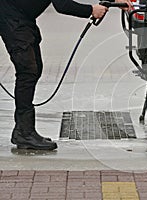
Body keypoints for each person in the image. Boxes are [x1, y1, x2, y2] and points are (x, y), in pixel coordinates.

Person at [0, 0, 132, 150]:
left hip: (21, 18)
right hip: (11, 18)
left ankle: (23, 130)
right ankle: (24, 133)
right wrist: (91, 10)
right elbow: (62, 5)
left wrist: (113, 1)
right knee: (28, 72)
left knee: (34, 69)